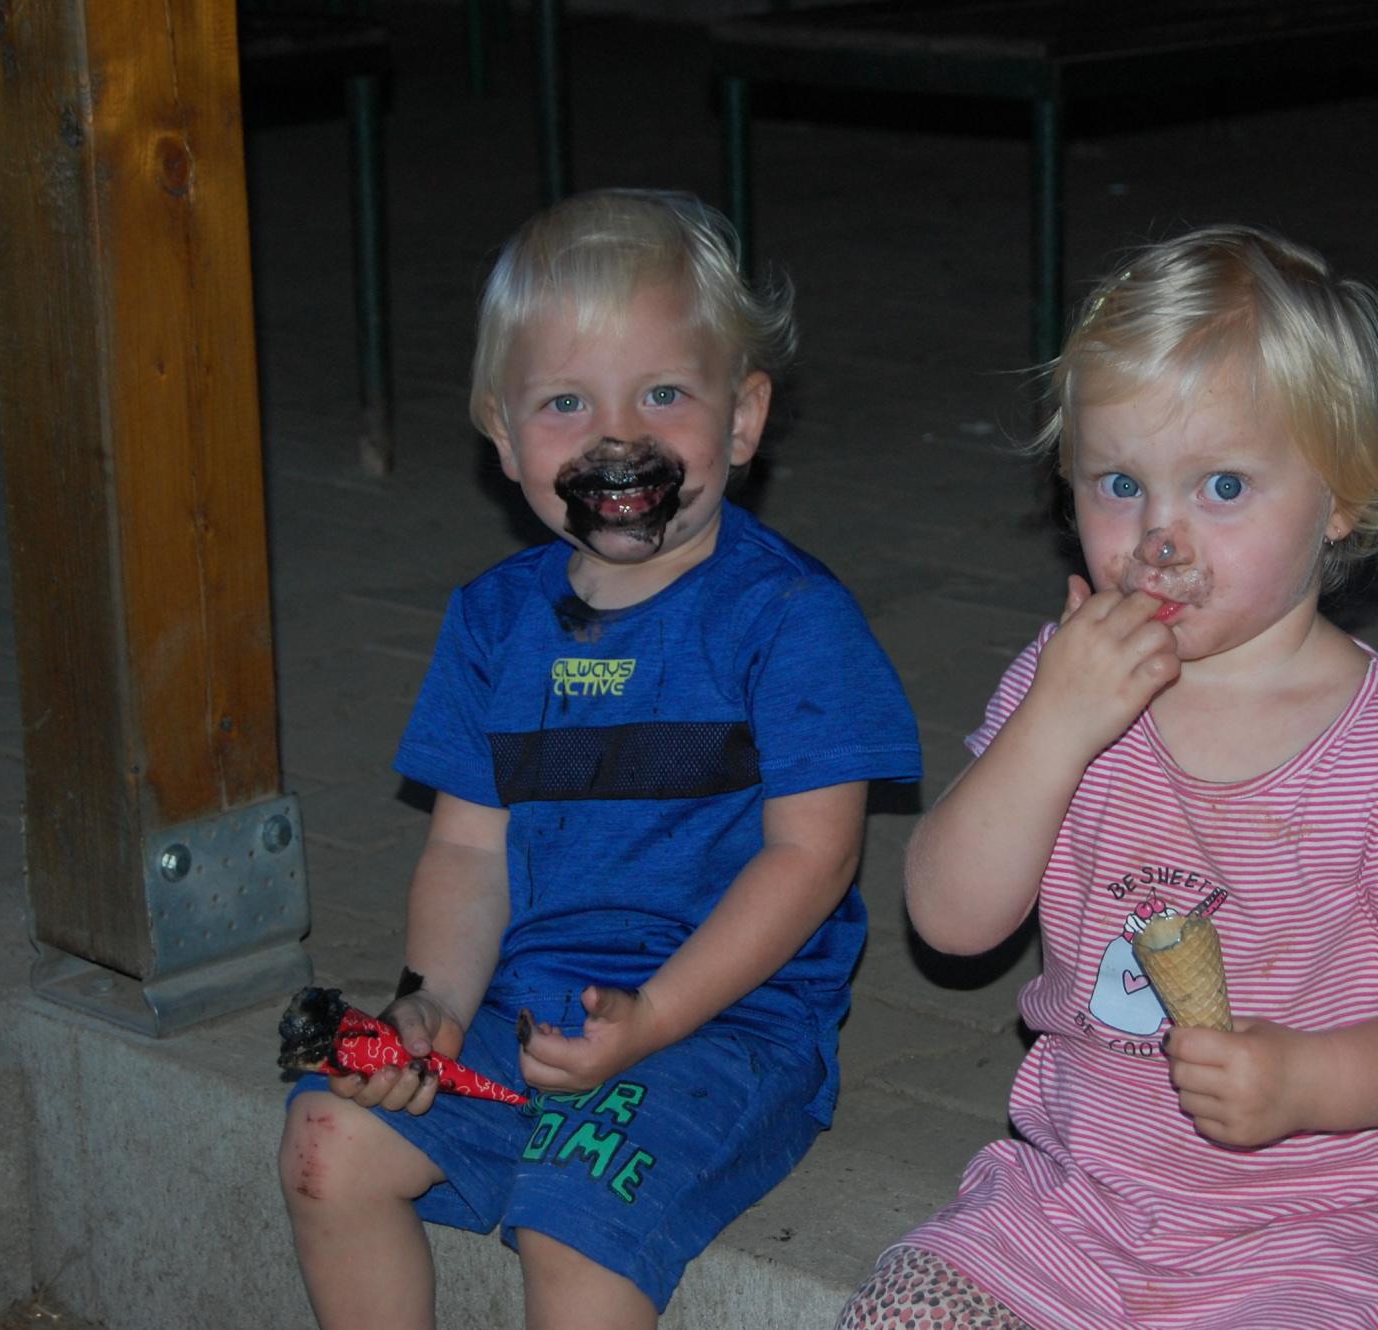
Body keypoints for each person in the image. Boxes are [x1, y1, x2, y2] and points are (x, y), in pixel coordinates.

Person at [839, 225, 1378, 1330]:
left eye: (1222, 485)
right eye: (1120, 483)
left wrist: (1308, 1081)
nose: (1159, 537)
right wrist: (1050, 730)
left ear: (1340, 498)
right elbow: (950, 920)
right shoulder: (1064, 682)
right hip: (1080, 1203)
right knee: (905, 1309)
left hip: (1324, 1227)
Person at [279, 188, 922, 1330]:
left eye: (663, 394)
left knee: (572, 1221)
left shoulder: (788, 619)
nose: (617, 439)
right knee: (327, 1141)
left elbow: (813, 859)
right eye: (566, 402)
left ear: (742, 417)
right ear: (502, 432)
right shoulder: (492, 623)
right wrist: (433, 1004)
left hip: (724, 1026)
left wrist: (657, 1016)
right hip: (524, 1008)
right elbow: (468, 853)